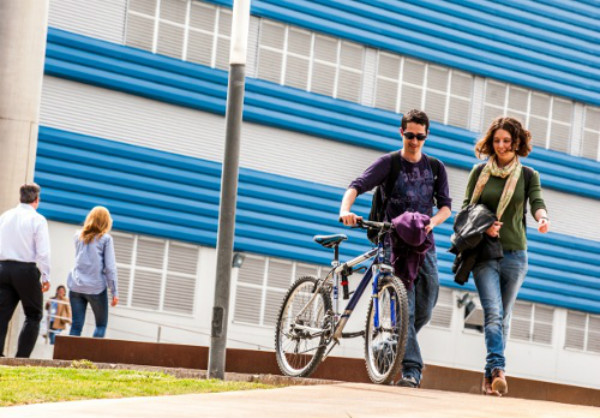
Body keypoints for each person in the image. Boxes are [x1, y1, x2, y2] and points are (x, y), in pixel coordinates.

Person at [339, 109, 452, 388]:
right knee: (407, 308)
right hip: (393, 243)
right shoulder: (389, 163)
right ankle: (411, 371)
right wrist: (345, 209)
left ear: (427, 136)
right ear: (401, 132)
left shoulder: (436, 167)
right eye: (410, 135)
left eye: (420, 136)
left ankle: (391, 340)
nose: (414, 141)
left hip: (424, 244)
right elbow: (357, 185)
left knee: (426, 305)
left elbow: (446, 207)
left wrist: (432, 223)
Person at [462, 116, 549, 396]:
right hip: (484, 253)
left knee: (504, 316)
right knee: (494, 312)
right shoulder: (479, 172)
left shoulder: (527, 175)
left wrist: (543, 218)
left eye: (506, 141)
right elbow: (465, 208)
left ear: (517, 143)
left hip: (515, 254)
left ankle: (488, 379)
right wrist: (484, 225)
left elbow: (536, 201)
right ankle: (499, 368)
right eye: (497, 140)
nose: (501, 146)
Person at [0, 183, 51, 357]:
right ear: (36, 200)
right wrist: (45, 276)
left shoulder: (5, 216)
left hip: (3, 268)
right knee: (33, 314)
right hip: (26, 269)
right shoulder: (37, 219)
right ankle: (21, 358)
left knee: (2, 313)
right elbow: (43, 253)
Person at [68, 206, 119, 338]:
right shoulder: (106, 239)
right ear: (106, 221)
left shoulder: (78, 236)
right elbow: (110, 267)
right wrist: (114, 291)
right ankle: (92, 358)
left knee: (76, 326)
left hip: (76, 286)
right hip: (96, 288)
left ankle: (70, 358)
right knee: (100, 325)